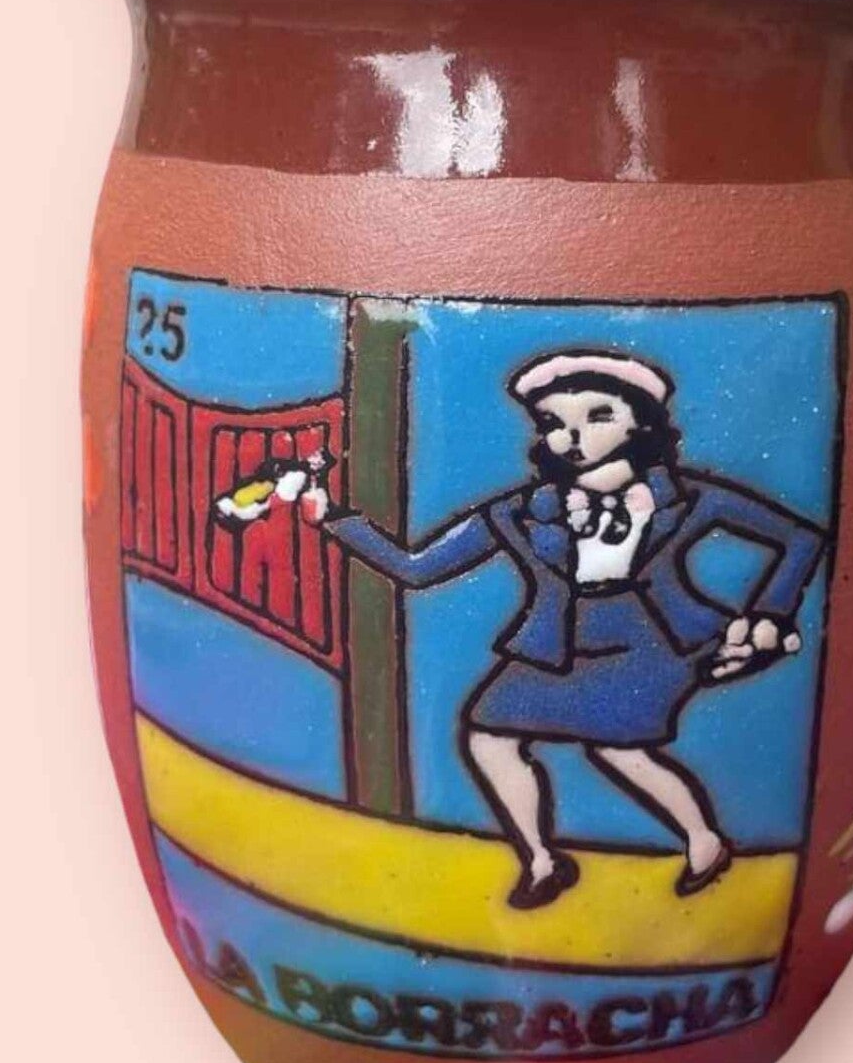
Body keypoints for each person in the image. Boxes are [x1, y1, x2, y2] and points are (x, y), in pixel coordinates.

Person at [315, 350, 825, 910]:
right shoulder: (521, 511)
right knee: (489, 735)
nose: (574, 436)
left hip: (651, 639)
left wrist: (769, 612)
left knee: (618, 750)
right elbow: (418, 568)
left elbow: (800, 538)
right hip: (557, 642)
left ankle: (704, 841)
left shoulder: (687, 498)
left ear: (641, 423)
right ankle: (541, 861)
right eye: (555, 423)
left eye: (598, 415)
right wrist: (333, 520)